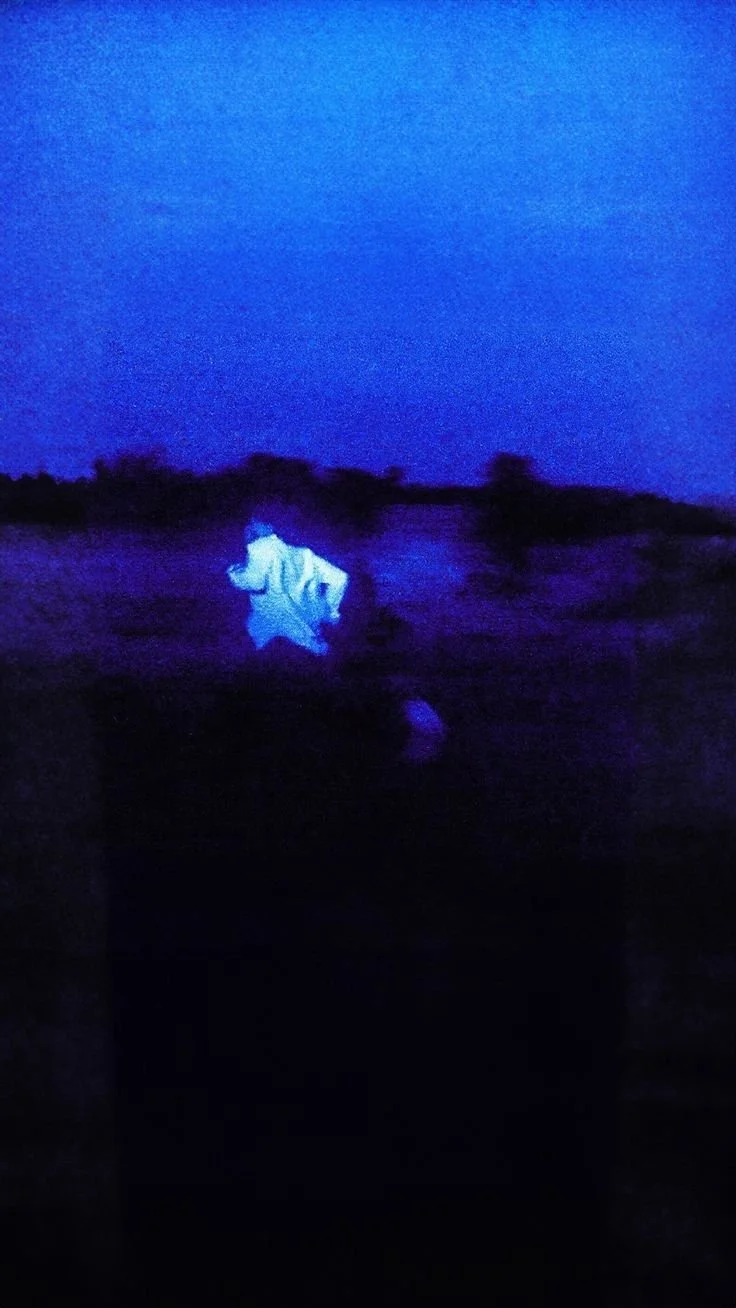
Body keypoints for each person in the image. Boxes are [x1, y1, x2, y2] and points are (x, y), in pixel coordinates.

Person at [226, 519, 350, 657]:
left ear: (269, 526)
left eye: (254, 522)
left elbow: (254, 583)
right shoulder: (305, 554)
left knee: (253, 654)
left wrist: (233, 573)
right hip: (305, 626)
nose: (249, 527)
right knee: (320, 656)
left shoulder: (261, 547)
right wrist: (330, 612)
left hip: (274, 622)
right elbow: (340, 579)